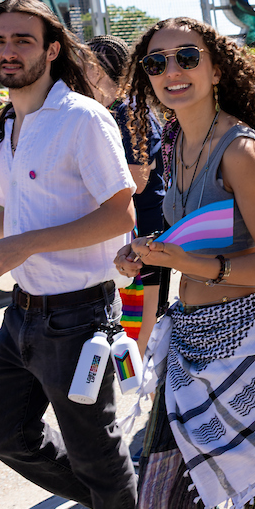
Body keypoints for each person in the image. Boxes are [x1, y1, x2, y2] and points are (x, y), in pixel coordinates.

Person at [0, 0, 138, 509]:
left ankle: (125, 502)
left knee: (98, 457)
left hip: (79, 317)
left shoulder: (82, 119)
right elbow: (12, 221)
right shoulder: (12, 126)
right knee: (8, 440)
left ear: (52, 49)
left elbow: (121, 217)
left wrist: (25, 245)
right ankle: (130, 503)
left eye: (23, 40)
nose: (9, 51)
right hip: (21, 316)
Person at [115, 17, 255, 509]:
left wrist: (186, 262)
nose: (171, 70)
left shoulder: (239, 150)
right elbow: (190, 234)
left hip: (246, 342)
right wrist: (147, 251)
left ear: (216, 69)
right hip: (190, 339)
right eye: (157, 62)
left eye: (187, 57)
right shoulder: (175, 140)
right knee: (161, 502)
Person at [86, 34, 166, 353]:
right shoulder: (101, 110)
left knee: (142, 334)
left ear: (103, 70)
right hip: (123, 232)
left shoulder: (130, 111)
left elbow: (138, 181)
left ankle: (155, 397)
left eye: (86, 66)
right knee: (126, 329)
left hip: (145, 232)